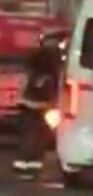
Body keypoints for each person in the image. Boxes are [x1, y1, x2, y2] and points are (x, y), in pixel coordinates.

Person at [13, 32, 63, 176]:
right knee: (34, 138)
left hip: (35, 105)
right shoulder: (49, 60)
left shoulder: (41, 59)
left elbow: (24, 79)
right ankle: (27, 167)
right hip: (38, 105)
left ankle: (28, 167)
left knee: (34, 138)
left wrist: (20, 98)